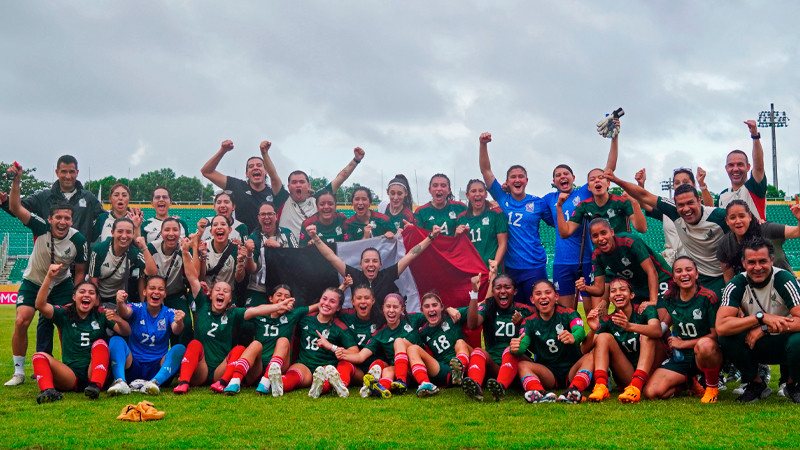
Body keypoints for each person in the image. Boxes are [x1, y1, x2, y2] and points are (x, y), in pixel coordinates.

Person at [172, 240, 293, 395]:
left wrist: (278, 306)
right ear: (211, 294)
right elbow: (192, 277)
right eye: (218, 290)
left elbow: (256, 310)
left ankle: (223, 383)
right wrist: (184, 252)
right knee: (195, 344)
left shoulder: (233, 313)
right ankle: (183, 383)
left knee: (239, 349)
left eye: (226, 291)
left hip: (221, 370)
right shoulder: (202, 304)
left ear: (230, 299)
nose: (221, 293)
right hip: (200, 370)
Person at [5, 163, 88, 386]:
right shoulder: (39, 226)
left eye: (67, 218)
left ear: (72, 221)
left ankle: (69, 366)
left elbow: (80, 270)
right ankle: (19, 372)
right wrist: (16, 181)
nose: (62, 222)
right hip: (34, 281)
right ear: (50, 219)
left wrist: (75, 294)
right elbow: (15, 207)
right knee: (22, 320)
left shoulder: (78, 240)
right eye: (58, 217)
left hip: (61, 285)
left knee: (68, 324)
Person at [605, 172, 729, 299]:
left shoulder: (718, 216)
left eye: (690, 203)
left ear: (699, 200)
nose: (686, 208)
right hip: (692, 274)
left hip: (718, 275)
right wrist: (616, 179)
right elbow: (644, 196)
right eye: (681, 205)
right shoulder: (673, 211)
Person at [542, 125, 619, 309]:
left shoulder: (583, 192)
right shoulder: (548, 199)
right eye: (558, 175)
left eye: (566, 174)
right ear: (554, 181)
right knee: (566, 312)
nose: (562, 177)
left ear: (573, 177)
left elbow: (608, 170)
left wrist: (614, 139)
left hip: (585, 260)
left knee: (591, 312)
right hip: (561, 262)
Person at [717, 237, 800, 403]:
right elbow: (721, 326)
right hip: (753, 343)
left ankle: (793, 384)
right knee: (726, 337)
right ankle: (755, 383)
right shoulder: (736, 284)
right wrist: (760, 318)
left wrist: (764, 328)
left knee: (798, 340)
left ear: (772, 260)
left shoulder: (784, 279)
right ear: (743, 263)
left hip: (784, 341)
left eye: (762, 261)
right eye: (751, 262)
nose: (757, 267)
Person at [32, 265, 131, 403]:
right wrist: (49, 277)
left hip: (94, 371)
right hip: (71, 374)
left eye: (91, 293)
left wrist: (118, 319)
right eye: (82, 292)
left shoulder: (101, 315)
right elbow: (40, 305)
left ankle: (95, 386)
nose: (86, 295)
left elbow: (126, 331)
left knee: (100, 343)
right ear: (74, 297)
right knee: (39, 356)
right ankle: (48, 391)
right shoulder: (64, 314)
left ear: (96, 299)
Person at [479, 132, 554, 304]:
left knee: (537, 309)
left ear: (526, 180)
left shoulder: (538, 203)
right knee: (514, 311)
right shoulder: (501, 197)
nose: (517, 179)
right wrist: (483, 145)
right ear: (507, 182)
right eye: (513, 177)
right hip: (511, 268)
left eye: (521, 176)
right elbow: (486, 171)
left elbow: (555, 222)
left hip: (535, 267)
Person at [644, 257, 722, 403]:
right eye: (678, 271)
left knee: (705, 345)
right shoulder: (670, 298)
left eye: (688, 270)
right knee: (651, 392)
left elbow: (715, 335)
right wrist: (641, 329)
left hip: (704, 354)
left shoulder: (708, 297)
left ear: (696, 274)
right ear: (673, 278)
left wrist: (683, 344)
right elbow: (663, 325)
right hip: (681, 357)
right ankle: (689, 383)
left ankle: (711, 388)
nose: (684, 274)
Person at [307, 224, 442, 308]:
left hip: (383, 326)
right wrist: (315, 238)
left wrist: (430, 237)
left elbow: (411, 255)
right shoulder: (354, 275)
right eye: (367, 261)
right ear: (361, 265)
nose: (371, 264)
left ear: (380, 264)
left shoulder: (388, 275)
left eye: (374, 261)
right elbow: (331, 257)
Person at [510, 280, 594, 404]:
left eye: (548, 292)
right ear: (532, 299)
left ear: (556, 297)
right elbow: (523, 343)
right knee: (523, 365)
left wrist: (573, 337)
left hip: (572, 369)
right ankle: (540, 394)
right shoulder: (528, 321)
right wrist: (516, 347)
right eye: (538, 294)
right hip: (548, 373)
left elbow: (580, 330)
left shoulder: (569, 313)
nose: (543, 296)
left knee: (590, 357)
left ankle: (573, 391)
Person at [260, 140, 365, 237]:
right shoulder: (282, 199)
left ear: (308, 186)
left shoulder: (318, 199)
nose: (298, 185)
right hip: (289, 249)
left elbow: (340, 178)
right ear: (288, 187)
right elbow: (273, 177)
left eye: (302, 182)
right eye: (294, 182)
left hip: (313, 248)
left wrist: (356, 160)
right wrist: (264, 154)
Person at [583, 279, 661, 403]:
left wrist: (629, 326)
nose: (618, 293)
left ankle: (637, 385)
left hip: (652, 373)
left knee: (647, 333)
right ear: (610, 298)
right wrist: (593, 330)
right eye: (613, 291)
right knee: (603, 337)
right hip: (628, 375)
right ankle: (601, 386)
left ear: (632, 295)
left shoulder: (645, 310)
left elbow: (657, 330)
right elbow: (584, 350)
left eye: (623, 289)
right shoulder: (608, 320)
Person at [271, 288, 359, 398]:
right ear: (319, 300)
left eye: (332, 301)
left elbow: (355, 352)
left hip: (326, 365)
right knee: (294, 374)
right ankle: (279, 384)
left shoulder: (340, 327)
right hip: (305, 365)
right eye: (324, 299)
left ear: (338, 307)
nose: (326, 303)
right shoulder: (305, 319)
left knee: (327, 372)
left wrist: (331, 347)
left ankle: (319, 388)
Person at [335, 293, 427, 398]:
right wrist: (341, 353)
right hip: (406, 373)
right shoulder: (380, 334)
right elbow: (360, 357)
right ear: (383, 309)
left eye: (395, 307)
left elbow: (434, 316)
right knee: (387, 370)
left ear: (402, 309)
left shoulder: (413, 319)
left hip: (422, 366)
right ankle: (380, 389)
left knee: (399, 342)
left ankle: (410, 381)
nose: (391, 310)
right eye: (388, 306)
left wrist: (447, 311)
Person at [107, 277, 187, 396]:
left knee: (180, 348)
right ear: (144, 292)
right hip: (134, 366)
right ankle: (120, 382)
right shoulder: (137, 308)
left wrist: (179, 321)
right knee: (116, 340)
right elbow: (125, 312)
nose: (156, 292)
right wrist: (120, 302)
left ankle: (154, 383)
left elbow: (176, 329)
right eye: (152, 288)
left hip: (158, 368)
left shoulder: (169, 312)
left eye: (160, 289)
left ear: (165, 294)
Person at [463, 270, 534, 402]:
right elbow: (472, 325)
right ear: (493, 291)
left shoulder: (524, 310)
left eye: (507, 287)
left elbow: (535, 340)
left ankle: (500, 387)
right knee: (478, 351)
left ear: (515, 291)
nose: (502, 291)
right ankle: (475, 386)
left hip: (518, 365)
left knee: (510, 350)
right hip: (495, 366)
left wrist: (521, 325)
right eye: (498, 287)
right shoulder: (488, 306)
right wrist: (474, 293)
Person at [575, 218, 672, 311]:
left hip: (661, 278)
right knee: (626, 317)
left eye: (604, 233)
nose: (600, 238)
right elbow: (599, 289)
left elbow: (651, 271)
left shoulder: (629, 242)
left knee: (660, 318)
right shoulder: (597, 256)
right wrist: (585, 287)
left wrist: (653, 301)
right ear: (591, 239)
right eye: (595, 236)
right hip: (637, 287)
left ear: (612, 232)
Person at [1, 154, 103, 241]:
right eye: (64, 171)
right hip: (50, 255)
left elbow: (104, 219)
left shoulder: (88, 198)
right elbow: (17, 209)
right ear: (57, 172)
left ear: (77, 172)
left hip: (80, 256)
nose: (68, 176)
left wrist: (90, 238)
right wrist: (5, 201)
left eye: (71, 172)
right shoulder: (44, 197)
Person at [634, 167, 713, 265]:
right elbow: (645, 205)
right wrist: (641, 185)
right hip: (671, 261)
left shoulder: (696, 207)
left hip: (695, 260)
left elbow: (710, 209)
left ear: (693, 184)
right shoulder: (667, 207)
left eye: (685, 182)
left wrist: (702, 185)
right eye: (677, 183)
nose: (681, 185)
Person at [253, 284, 320, 396]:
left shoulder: (292, 314)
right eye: (279, 295)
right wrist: (276, 307)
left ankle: (266, 381)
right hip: (258, 366)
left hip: (280, 367)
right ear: (271, 298)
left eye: (287, 296)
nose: (283, 298)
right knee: (254, 344)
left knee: (283, 340)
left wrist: (342, 287)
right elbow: (244, 313)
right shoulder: (260, 313)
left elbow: (320, 305)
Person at [201, 140, 276, 232]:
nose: (255, 167)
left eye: (259, 165)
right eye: (251, 166)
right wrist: (222, 150)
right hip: (242, 238)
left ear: (266, 171)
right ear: (246, 174)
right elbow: (206, 171)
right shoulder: (238, 186)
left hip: (267, 239)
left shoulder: (274, 192)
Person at [406, 292, 472, 398]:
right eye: (427, 306)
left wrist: (450, 309)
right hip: (444, 370)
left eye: (434, 305)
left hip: (467, 364)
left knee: (460, 342)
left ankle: (459, 369)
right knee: (412, 348)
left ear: (441, 307)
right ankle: (426, 384)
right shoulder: (423, 333)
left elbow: (481, 306)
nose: (431, 309)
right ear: (422, 311)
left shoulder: (453, 316)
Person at [717, 200, 800, 282]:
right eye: (732, 218)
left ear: (749, 216)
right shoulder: (725, 244)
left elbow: (797, 232)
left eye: (742, 216)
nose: (738, 221)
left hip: (783, 283)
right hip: (754, 287)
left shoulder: (767, 229)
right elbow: (729, 278)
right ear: (727, 221)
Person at [89, 218, 157, 306]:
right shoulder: (100, 249)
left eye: (128, 232)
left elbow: (152, 272)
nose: (124, 236)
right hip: (97, 294)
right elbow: (93, 279)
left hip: (119, 296)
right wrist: (97, 304)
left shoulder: (134, 252)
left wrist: (144, 247)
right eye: (120, 231)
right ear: (112, 233)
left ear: (133, 234)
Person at [243, 202, 298, 307]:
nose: (266, 217)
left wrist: (280, 247)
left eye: (270, 214)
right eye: (263, 214)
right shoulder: (253, 238)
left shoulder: (287, 234)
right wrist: (249, 253)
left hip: (284, 288)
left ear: (276, 216)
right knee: (250, 315)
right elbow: (251, 270)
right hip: (259, 289)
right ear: (258, 217)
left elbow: (297, 260)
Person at [147, 217, 192, 345]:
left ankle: (180, 352)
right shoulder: (152, 248)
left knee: (186, 323)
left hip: (175, 294)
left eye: (175, 230)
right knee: (153, 326)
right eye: (167, 230)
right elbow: (143, 276)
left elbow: (193, 275)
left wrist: (187, 251)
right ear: (161, 233)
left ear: (180, 233)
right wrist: (143, 299)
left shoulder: (184, 248)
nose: (171, 233)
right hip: (155, 295)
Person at [713, 120, 768, 220]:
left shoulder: (753, 187)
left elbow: (759, 167)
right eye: (731, 165)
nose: (735, 169)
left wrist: (755, 136)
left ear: (748, 167)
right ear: (726, 168)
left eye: (740, 164)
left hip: (756, 231)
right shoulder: (723, 195)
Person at [455, 179, 508, 271]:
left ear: (486, 194)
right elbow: (457, 247)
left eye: (481, 191)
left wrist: (495, 263)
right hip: (470, 270)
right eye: (473, 191)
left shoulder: (496, 214)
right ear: (467, 195)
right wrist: (456, 234)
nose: (477, 194)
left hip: (491, 270)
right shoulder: (461, 218)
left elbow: (502, 244)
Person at [194, 216, 255, 290]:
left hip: (228, 293)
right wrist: (203, 257)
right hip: (207, 292)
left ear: (230, 230)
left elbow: (239, 280)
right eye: (215, 225)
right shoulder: (204, 247)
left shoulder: (236, 249)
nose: (219, 227)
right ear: (211, 231)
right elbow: (199, 278)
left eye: (223, 224)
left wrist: (240, 262)